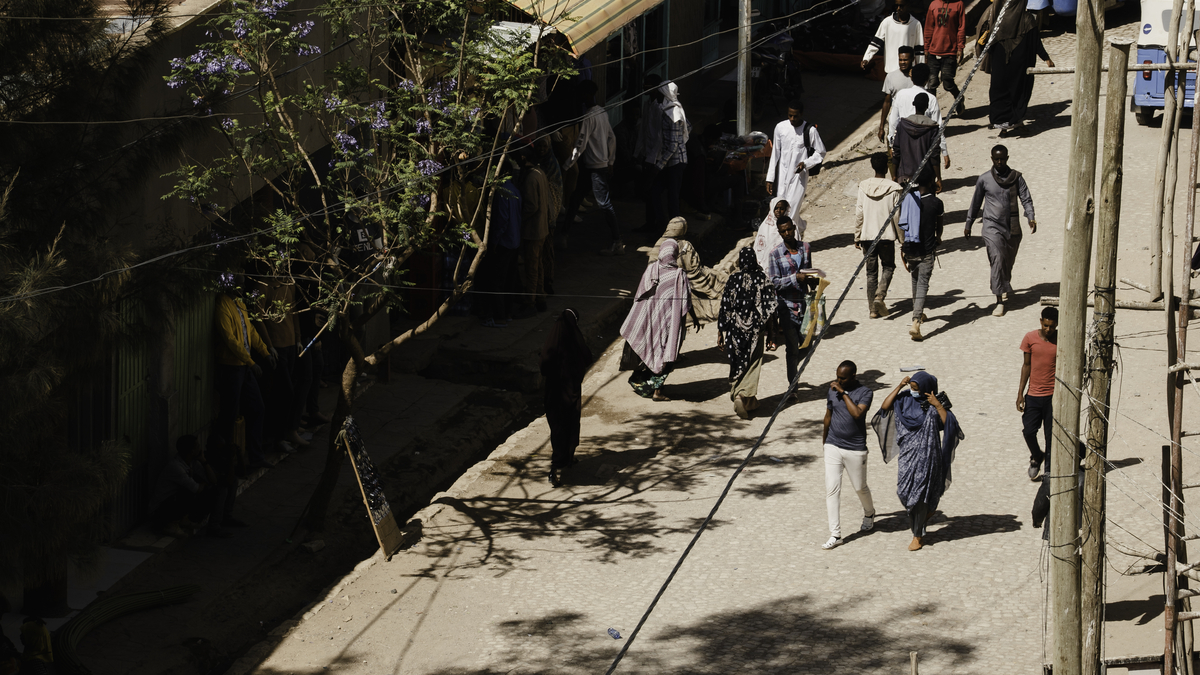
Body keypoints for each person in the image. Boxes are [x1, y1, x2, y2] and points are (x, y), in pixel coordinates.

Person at [876, 371, 963, 550]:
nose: (913, 390)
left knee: (919, 497)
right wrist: (900, 386)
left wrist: (938, 405)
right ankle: (924, 516)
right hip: (907, 456)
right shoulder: (903, 401)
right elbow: (884, 408)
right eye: (911, 387)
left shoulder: (932, 404)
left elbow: (950, 425)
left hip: (928, 458)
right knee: (904, 492)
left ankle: (918, 535)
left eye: (916, 388)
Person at [964, 144, 1036, 316]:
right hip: (991, 227)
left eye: (1002, 159)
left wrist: (1031, 217)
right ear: (991, 159)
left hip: (1012, 227)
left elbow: (1026, 198)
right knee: (997, 258)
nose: (999, 162)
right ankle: (999, 300)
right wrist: (969, 223)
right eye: (996, 159)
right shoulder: (984, 179)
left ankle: (1003, 284)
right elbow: (976, 203)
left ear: (1007, 158)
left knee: (1007, 262)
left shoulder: (1016, 178)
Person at [620, 240, 696, 401]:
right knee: (666, 353)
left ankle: (645, 385)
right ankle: (657, 391)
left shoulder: (651, 270)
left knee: (651, 351)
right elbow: (686, 302)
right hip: (669, 324)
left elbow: (639, 295)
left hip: (648, 322)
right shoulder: (679, 275)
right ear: (674, 254)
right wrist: (694, 318)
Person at [214, 273, 275, 469]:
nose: (241, 289)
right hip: (232, 367)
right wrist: (251, 362)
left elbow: (251, 332)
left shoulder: (239, 304)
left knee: (257, 408)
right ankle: (226, 463)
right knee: (229, 415)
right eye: (239, 285)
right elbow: (229, 339)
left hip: (244, 367)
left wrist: (265, 352)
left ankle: (255, 457)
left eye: (243, 285)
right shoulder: (223, 304)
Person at [821, 361, 877, 550]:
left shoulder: (865, 392)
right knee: (832, 489)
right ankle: (835, 534)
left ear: (853, 376)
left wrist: (843, 394)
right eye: (837, 376)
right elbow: (828, 415)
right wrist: (825, 442)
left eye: (843, 378)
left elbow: (857, 414)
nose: (838, 380)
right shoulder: (832, 390)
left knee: (860, 487)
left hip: (855, 449)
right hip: (833, 445)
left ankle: (869, 513)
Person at [563, 80, 623, 255]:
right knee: (575, 199)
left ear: (587, 96)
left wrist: (567, 165)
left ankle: (617, 241)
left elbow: (580, 143)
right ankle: (563, 234)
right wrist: (610, 160)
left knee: (604, 203)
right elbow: (612, 138)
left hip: (595, 167)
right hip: (596, 166)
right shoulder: (602, 112)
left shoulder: (589, 116)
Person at [719, 247, 779, 419]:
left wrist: (720, 332)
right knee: (753, 362)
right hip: (755, 331)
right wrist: (771, 334)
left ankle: (747, 400)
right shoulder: (762, 279)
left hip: (734, 331)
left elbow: (725, 307)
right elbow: (769, 310)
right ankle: (742, 394)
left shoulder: (733, 279)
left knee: (738, 362)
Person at [252, 276, 310, 453]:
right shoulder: (262, 285)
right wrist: (269, 345)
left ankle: (285, 433)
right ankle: (277, 437)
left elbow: (293, 312)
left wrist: (298, 338)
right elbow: (258, 317)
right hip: (276, 347)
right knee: (282, 393)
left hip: (291, 345)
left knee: (289, 389)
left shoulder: (288, 283)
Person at [981, 0, 1054, 132]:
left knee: (1000, 90)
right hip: (1019, 66)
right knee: (1018, 91)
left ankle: (1001, 123)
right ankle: (1016, 120)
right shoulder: (1027, 19)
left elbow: (988, 44)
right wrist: (1046, 58)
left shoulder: (999, 20)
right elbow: (1035, 42)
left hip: (1000, 65)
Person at [767, 215, 819, 396]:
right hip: (787, 307)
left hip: (806, 305)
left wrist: (813, 280)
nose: (788, 233)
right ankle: (793, 387)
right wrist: (794, 278)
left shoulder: (805, 248)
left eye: (790, 229)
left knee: (808, 344)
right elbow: (773, 283)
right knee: (791, 347)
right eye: (784, 231)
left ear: (794, 227)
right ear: (779, 233)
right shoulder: (775, 254)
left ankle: (793, 369)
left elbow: (808, 270)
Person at [541, 308, 594, 486]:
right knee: (571, 425)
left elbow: (544, 366)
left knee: (557, 429)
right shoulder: (576, 341)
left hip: (553, 394)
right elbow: (587, 358)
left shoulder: (551, 342)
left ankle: (557, 466)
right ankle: (565, 459)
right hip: (571, 393)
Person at [148, 435, 229, 538]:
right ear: (191, 451)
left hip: (170, 505)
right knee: (190, 492)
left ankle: (183, 520)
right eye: (198, 446)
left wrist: (204, 461)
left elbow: (213, 480)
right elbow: (197, 489)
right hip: (159, 513)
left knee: (214, 491)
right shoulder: (176, 467)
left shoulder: (192, 462)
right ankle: (170, 525)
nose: (200, 449)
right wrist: (203, 483)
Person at [855, 152, 902, 319]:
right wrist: (902, 239)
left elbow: (859, 213)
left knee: (870, 273)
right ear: (886, 167)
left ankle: (872, 310)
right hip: (887, 237)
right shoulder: (894, 188)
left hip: (867, 236)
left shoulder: (863, 186)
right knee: (888, 266)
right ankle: (880, 296)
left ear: (872, 166)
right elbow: (896, 216)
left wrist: (857, 235)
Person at [653, 217, 727, 323]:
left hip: (664, 285)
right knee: (721, 280)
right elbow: (695, 271)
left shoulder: (658, 245)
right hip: (682, 282)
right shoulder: (684, 246)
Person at [900, 166, 944, 341]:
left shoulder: (908, 200)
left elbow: (901, 224)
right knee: (923, 284)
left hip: (910, 248)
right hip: (926, 250)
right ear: (931, 182)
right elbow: (938, 228)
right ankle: (916, 320)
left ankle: (918, 311)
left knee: (915, 279)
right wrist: (938, 238)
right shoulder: (936, 203)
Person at [765, 100, 825, 222]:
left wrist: (806, 163)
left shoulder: (810, 130)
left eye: (795, 116)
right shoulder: (780, 128)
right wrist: (770, 178)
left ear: (801, 114)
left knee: (792, 210)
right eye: (790, 115)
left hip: (799, 178)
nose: (792, 118)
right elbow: (775, 153)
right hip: (782, 176)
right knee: (781, 209)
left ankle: (791, 237)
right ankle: (799, 229)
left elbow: (821, 152)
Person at [1018, 306, 1058, 479]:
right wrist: (1020, 393)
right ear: (1041, 322)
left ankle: (1048, 471)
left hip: (1053, 397)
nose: (1048, 329)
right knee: (1028, 431)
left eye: (1052, 326)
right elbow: (1026, 365)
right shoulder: (1030, 338)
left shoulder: (1061, 340)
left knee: (1050, 436)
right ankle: (1036, 456)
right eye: (1046, 325)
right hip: (1033, 394)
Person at [888, 65, 950, 175]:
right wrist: (944, 151)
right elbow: (938, 126)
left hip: (904, 140)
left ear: (911, 78)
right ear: (927, 79)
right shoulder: (931, 98)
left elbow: (893, 121)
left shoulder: (901, 94)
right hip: (924, 142)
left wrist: (892, 143)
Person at [479, 173, 521, 326]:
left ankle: (499, 316)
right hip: (514, 241)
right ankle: (507, 313)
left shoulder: (502, 193)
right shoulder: (515, 190)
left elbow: (502, 220)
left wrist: (494, 242)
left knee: (497, 281)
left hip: (504, 243)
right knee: (509, 280)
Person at [648, 82, 690, 227]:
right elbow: (688, 127)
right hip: (674, 160)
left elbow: (672, 146)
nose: (657, 96)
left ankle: (675, 230)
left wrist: (659, 166)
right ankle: (661, 224)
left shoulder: (672, 113)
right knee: (658, 192)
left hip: (674, 162)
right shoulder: (676, 109)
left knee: (672, 198)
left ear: (664, 94)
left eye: (659, 93)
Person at [514, 149, 551, 318]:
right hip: (542, 228)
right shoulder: (540, 172)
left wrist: (518, 219)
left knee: (531, 267)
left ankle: (530, 301)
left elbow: (531, 206)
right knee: (539, 265)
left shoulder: (530, 177)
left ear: (523, 158)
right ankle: (540, 297)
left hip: (533, 231)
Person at [893, 92, 944, 189]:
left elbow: (896, 151)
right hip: (926, 177)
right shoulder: (932, 127)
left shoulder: (902, 125)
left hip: (905, 176)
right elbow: (935, 155)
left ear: (914, 104)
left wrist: (895, 175)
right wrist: (939, 178)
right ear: (927, 106)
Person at [924, 0, 967, 114]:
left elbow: (961, 27)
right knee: (932, 83)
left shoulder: (958, 4)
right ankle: (932, 111)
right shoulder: (933, 4)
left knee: (947, 82)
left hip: (950, 51)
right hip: (933, 50)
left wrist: (960, 47)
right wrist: (926, 48)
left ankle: (959, 98)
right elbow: (929, 27)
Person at [861, 0, 925, 74]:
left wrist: (921, 67)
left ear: (908, 6)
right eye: (896, 6)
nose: (898, 8)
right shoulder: (887, 22)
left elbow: (919, 49)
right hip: (890, 69)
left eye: (901, 6)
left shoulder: (915, 24)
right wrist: (866, 58)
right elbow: (876, 43)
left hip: (907, 71)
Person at [878, 46, 915, 144]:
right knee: (893, 152)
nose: (902, 62)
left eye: (906, 60)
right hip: (896, 122)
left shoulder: (918, 76)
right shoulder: (891, 77)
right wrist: (881, 127)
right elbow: (887, 102)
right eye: (900, 60)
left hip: (913, 123)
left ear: (912, 59)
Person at [753, 198, 790, 271]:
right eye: (776, 208)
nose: (778, 211)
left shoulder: (790, 226)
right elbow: (759, 249)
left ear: (786, 209)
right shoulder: (765, 226)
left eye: (782, 209)